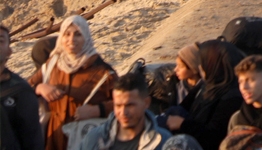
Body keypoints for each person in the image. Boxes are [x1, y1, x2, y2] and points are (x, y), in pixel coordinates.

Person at [30, 16, 115, 150]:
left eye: (78, 34)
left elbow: (126, 102)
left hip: (87, 140)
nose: (71, 40)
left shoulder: (103, 72)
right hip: (54, 139)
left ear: (86, 37)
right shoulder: (52, 64)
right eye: (66, 34)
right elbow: (24, 89)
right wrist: (40, 88)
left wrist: (97, 110)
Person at [168, 40, 244, 150]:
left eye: (203, 62)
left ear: (213, 65)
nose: (200, 67)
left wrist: (183, 124)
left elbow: (214, 137)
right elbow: (184, 106)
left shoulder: (232, 97)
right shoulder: (207, 84)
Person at [79, 68, 169, 150]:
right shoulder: (93, 139)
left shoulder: (163, 142)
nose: (123, 112)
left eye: (130, 105)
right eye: (118, 105)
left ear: (146, 103)